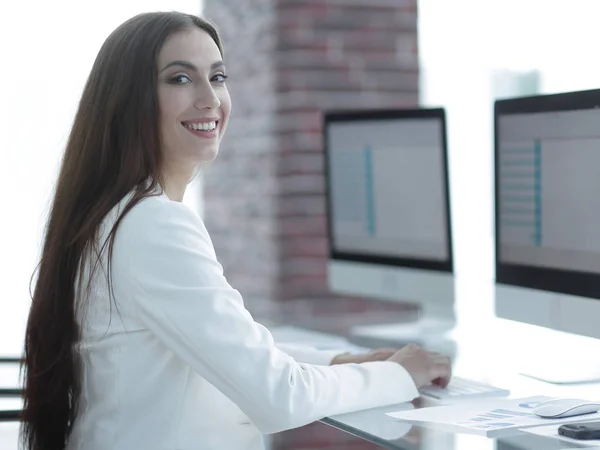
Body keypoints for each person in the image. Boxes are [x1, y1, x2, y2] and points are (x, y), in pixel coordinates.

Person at [20, 11, 452, 450]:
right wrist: (400, 375)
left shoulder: (119, 216)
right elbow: (280, 396)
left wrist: (343, 360)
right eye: (180, 79)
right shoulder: (152, 224)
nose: (210, 99)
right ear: (129, 100)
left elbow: (227, 350)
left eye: (218, 76)